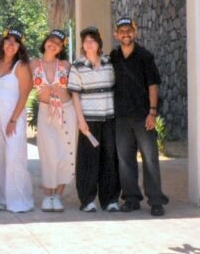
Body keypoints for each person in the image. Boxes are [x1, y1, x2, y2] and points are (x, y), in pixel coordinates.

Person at [110, 17, 169, 217]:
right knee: (125, 160)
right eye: (122, 31)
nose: (126, 34)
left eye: (129, 30)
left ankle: (156, 200)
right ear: (115, 34)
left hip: (143, 116)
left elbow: (153, 85)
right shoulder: (113, 57)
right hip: (121, 117)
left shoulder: (145, 56)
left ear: (135, 32)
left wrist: (152, 112)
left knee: (150, 159)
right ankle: (131, 198)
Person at [69, 26, 120, 213]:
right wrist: (81, 121)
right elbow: (75, 95)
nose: (89, 43)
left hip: (109, 118)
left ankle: (110, 199)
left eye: (92, 40)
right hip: (89, 121)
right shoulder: (77, 66)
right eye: (85, 40)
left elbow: (116, 87)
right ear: (83, 45)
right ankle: (87, 200)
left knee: (110, 159)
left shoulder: (109, 63)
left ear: (99, 43)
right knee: (88, 161)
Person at [0, 29, 35, 213]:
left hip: (14, 113)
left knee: (14, 157)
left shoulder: (21, 66)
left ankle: (18, 200)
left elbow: (24, 94)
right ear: (2, 43)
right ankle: (1, 198)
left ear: (20, 47)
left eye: (15, 42)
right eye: (8, 40)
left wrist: (13, 120)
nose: (11, 44)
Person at [32, 29, 77, 212]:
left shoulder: (66, 65)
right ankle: (47, 195)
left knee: (66, 154)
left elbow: (75, 92)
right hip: (46, 113)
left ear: (61, 48)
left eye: (58, 43)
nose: (54, 44)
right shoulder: (33, 64)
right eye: (51, 40)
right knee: (48, 154)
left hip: (67, 112)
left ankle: (58, 195)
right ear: (45, 42)